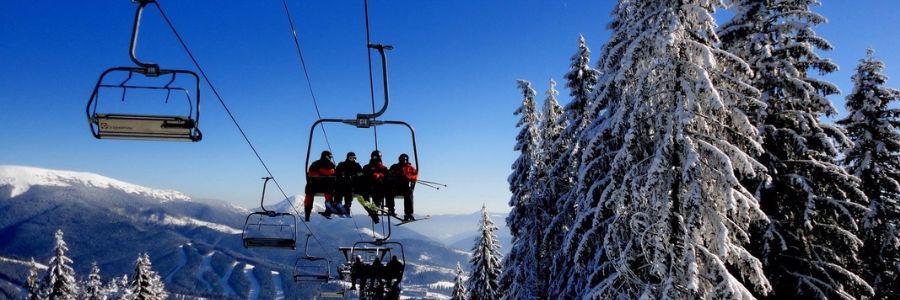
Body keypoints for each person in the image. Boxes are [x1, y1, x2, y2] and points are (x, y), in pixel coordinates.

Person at [304, 150, 336, 221]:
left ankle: (307, 213)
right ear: (326, 156)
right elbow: (330, 173)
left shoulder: (316, 164)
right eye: (329, 156)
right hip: (325, 184)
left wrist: (319, 171)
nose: (330, 158)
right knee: (328, 192)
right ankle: (328, 211)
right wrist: (322, 172)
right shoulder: (331, 165)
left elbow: (311, 173)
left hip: (315, 184)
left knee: (309, 193)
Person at [387, 153, 418, 221]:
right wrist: (395, 177)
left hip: (405, 187)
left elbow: (415, 176)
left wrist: (407, 177)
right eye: (402, 160)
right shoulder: (395, 167)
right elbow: (389, 175)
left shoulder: (410, 168)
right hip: (395, 187)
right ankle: (391, 209)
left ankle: (409, 213)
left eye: (405, 160)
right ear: (399, 160)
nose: (404, 161)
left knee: (409, 193)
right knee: (388, 191)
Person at [361, 150, 388, 223]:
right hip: (368, 187)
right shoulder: (367, 167)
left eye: (376, 157)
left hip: (378, 188)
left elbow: (387, 178)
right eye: (374, 157)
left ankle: (374, 212)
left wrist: (380, 176)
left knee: (376, 197)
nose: (375, 158)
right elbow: (364, 176)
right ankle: (373, 213)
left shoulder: (383, 168)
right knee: (365, 199)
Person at [335, 152, 362, 216]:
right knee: (339, 193)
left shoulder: (357, 165)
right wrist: (341, 174)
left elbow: (360, 173)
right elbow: (336, 172)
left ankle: (347, 208)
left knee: (348, 194)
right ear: (348, 157)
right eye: (350, 157)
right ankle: (338, 207)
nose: (352, 159)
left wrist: (354, 175)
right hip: (342, 183)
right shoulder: (342, 164)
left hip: (352, 184)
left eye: (353, 157)